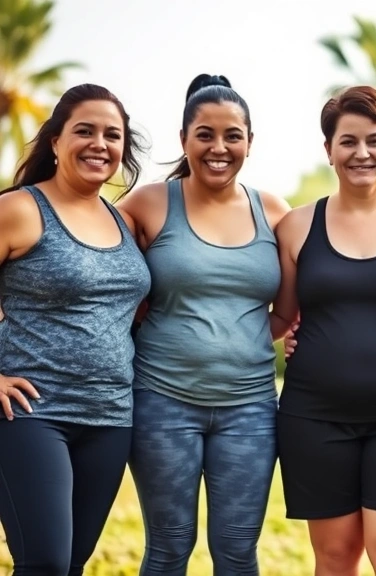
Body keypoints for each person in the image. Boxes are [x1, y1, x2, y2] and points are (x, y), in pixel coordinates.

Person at [116, 74, 291, 575]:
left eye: (232, 135)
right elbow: (100, 275)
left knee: (237, 550)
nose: (219, 147)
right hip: (161, 403)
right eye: (205, 134)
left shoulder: (274, 212)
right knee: (169, 546)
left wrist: (239, 339)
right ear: (183, 139)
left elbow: (287, 312)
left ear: (250, 142)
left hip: (250, 410)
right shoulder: (148, 204)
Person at [271, 85, 376, 576]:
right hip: (314, 417)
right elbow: (283, 317)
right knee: (335, 556)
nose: (361, 153)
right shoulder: (296, 226)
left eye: (374, 140)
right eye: (348, 141)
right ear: (329, 150)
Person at [0, 84, 152, 575]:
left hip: (110, 417)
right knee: (44, 562)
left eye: (113, 135)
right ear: (56, 141)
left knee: (73, 563)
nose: (99, 144)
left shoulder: (124, 221)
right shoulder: (20, 209)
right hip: (32, 414)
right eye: (84, 131)